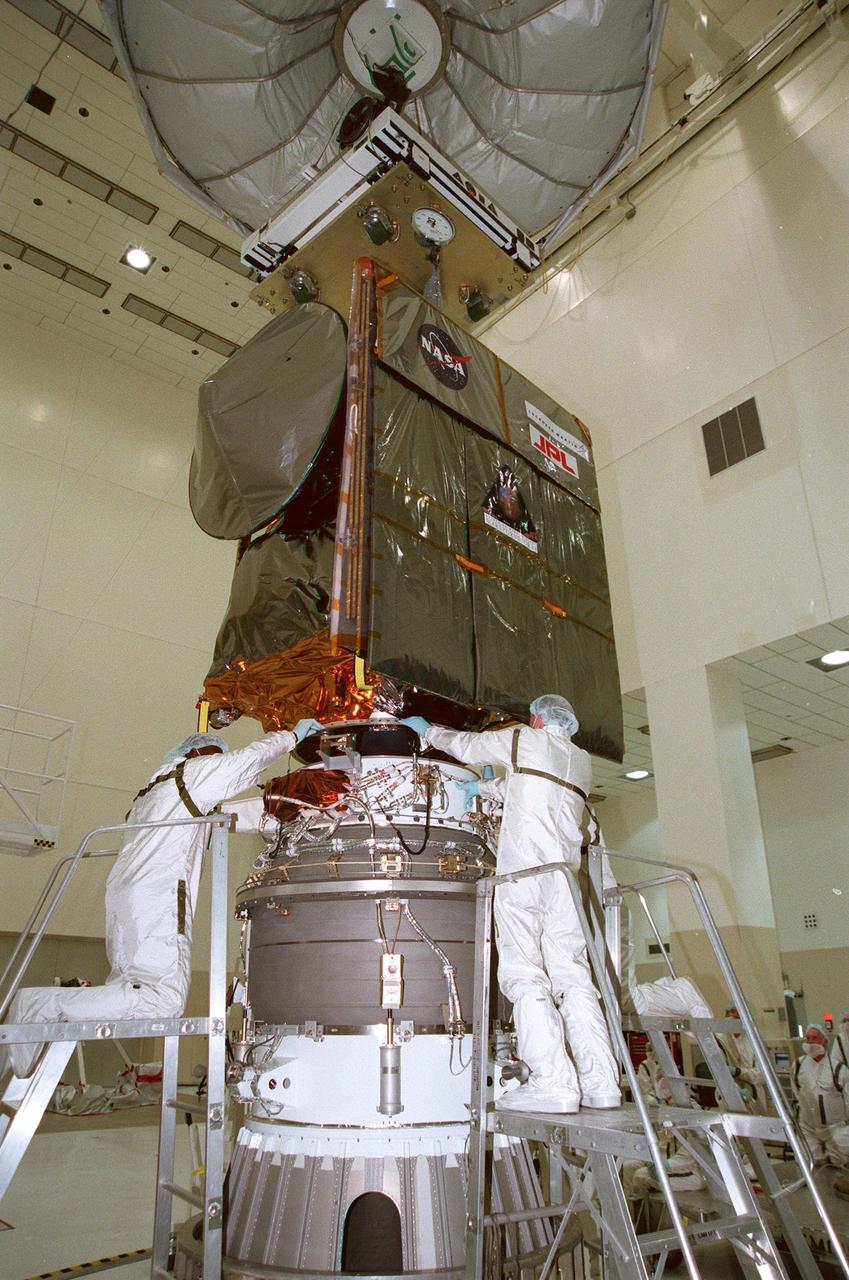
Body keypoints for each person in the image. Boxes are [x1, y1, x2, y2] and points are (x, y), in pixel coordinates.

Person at [2, 721, 321, 1079]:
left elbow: (225, 816)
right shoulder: (192, 774)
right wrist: (291, 737)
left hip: (129, 901)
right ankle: (40, 1004)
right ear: (197, 754)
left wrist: (292, 805)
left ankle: (34, 1019)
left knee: (133, 989)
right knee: (161, 1001)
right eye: (216, 758)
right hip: (157, 899)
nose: (219, 764)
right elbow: (245, 763)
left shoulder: (157, 793)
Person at [401, 694, 620, 1114]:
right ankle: (601, 1081)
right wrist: (482, 789)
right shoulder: (580, 761)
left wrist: (426, 731)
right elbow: (532, 787)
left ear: (538, 718)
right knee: (574, 978)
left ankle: (553, 1080)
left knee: (524, 975)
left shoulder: (524, 739)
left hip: (524, 878)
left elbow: (466, 747)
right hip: (564, 883)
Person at [791, 1024, 849, 1167]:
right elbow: (797, 1094)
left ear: (825, 1041)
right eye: (808, 1038)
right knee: (811, 1166)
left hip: (835, 1128)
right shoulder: (798, 1065)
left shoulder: (838, 1068)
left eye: (815, 1038)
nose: (810, 1042)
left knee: (837, 1165)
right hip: (808, 1127)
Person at [719, 1005, 765, 1109]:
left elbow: (761, 1076)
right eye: (732, 1011)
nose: (735, 1015)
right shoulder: (722, 1040)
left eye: (739, 1013)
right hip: (730, 1093)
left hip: (753, 1094)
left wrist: (739, 1072)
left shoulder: (755, 1042)